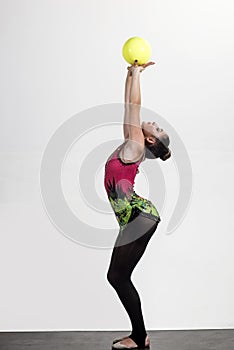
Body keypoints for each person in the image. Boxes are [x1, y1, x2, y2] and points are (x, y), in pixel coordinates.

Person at [104, 60, 171, 349]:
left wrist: (137, 75)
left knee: (118, 276)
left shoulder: (135, 145)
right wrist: (130, 74)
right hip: (137, 217)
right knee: (117, 276)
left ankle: (139, 337)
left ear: (149, 139)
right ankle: (139, 336)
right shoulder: (130, 144)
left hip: (139, 217)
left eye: (156, 127)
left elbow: (134, 107)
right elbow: (127, 106)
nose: (151, 121)